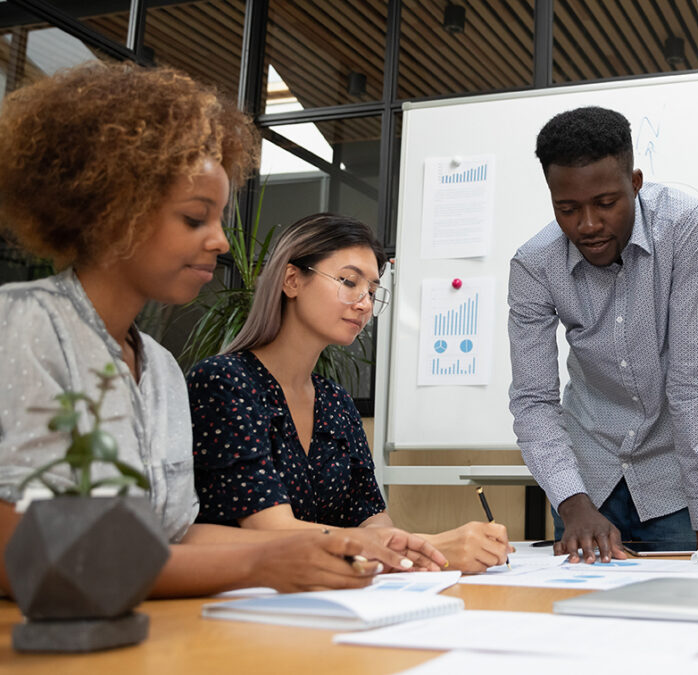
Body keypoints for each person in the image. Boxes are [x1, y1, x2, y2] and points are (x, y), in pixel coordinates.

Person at [0, 63, 445, 598]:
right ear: (114, 211)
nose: (221, 242)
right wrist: (263, 561)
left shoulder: (161, 369)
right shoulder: (25, 324)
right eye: (194, 218)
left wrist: (353, 550)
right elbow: (21, 552)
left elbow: (178, 535)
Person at [187, 213, 510, 573]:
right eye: (348, 281)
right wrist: (434, 547)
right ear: (292, 280)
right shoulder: (224, 381)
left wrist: (416, 552)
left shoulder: (336, 403)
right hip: (238, 599)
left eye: (371, 291)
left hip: (328, 595)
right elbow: (270, 528)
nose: (365, 303)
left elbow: (373, 520)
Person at [508, 106, 698, 563]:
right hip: (584, 481)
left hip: (672, 484)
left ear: (636, 183)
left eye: (606, 203)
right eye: (567, 209)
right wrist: (572, 502)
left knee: (681, 623)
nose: (587, 225)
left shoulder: (686, 228)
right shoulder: (534, 265)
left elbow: (694, 383)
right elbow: (533, 400)